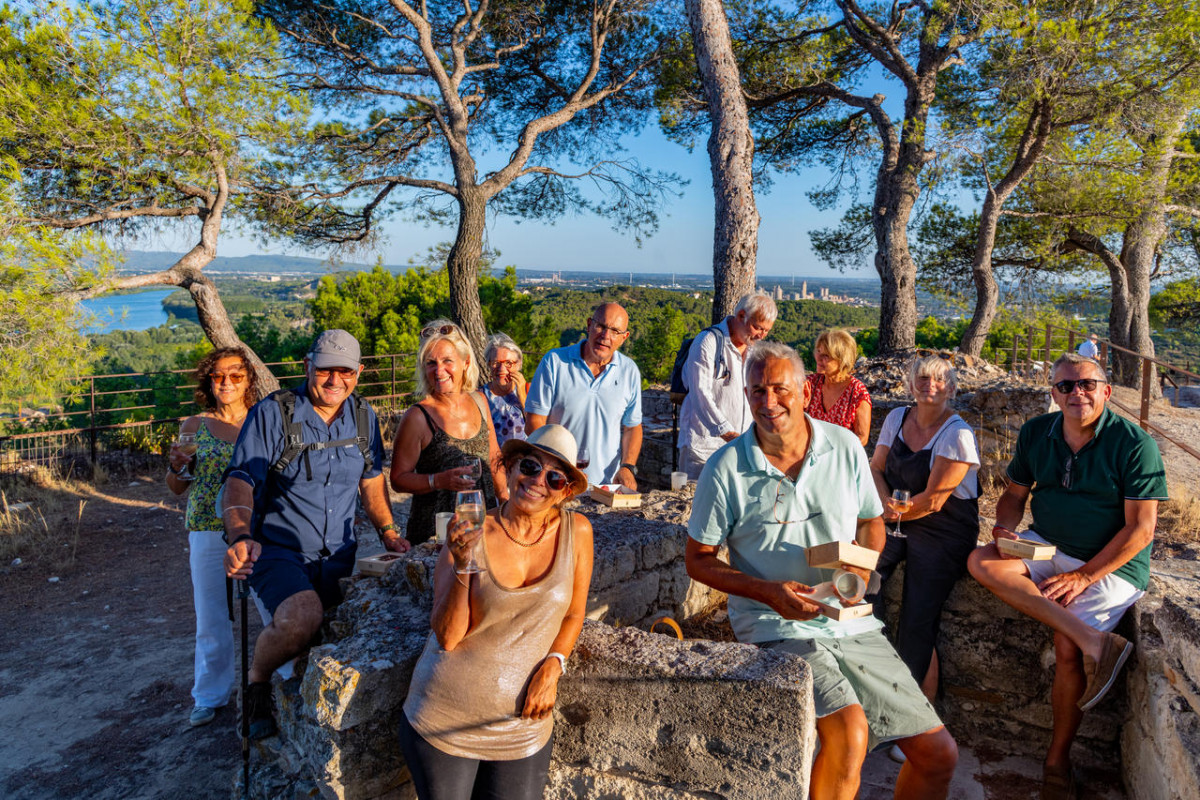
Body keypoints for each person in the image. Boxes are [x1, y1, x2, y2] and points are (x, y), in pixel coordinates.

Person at [686, 341, 958, 800]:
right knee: (850, 734)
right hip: (775, 621)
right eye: (756, 392)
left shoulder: (844, 446)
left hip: (847, 619)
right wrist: (767, 591)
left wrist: (858, 575)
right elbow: (698, 559)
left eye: (779, 389)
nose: (768, 402)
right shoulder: (726, 468)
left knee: (938, 756)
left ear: (805, 392)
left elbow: (872, 522)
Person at [968, 352, 1166, 800]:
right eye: (1065, 386)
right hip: (1047, 545)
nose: (1077, 393)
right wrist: (1004, 528)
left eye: (1087, 384)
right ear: (1053, 393)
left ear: (1106, 390)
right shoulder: (1038, 432)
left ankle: (1057, 760)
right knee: (981, 561)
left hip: (1112, 563)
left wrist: (1085, 577)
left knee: (1064, 646)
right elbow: (1013, 495)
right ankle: (1097, 641)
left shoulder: (1134, 444)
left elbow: (1142, 530)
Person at [223, 329, 407, 740]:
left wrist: (390, 532)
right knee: (301, 619)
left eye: (346, 371)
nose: (335, 380)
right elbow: (239, 480)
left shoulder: (364, 416)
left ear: (358, 372)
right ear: (309, 367)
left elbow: (372, 480)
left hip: (338, 554)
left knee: (327, 637)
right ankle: (256, 684)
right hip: (278, 549)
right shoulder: (274, 414)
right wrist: (238, 535)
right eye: (326, 370)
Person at [399, 424, 593, 800]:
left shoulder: (578, 532)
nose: (537, 481)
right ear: (513, 466)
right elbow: (448, 636)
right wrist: (460, 563)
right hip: (446, 720)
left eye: (554, 477)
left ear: (565, 491)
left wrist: (554, 665)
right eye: (531, 467)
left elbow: (574, 613)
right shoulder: (474, 529)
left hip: (523, 728)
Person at [869, 354, 980, 707]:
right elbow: (875, 468)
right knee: (859, 578)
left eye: (937, 380)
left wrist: (888, 516)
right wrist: (885, 504)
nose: (929, 385)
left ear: (950, 388)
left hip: (944, 529)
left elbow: (933, 500)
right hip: (899, 519)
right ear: (911, 383)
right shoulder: (897, 417)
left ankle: (915, 715)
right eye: (922, 378)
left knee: (918, 614)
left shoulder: (957, 434)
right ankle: (875, 673)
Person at [166, 347, 269, 727]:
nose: (226, 382)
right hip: (208, 529)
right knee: (211, 615)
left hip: (256, 529)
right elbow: (177, 486)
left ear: (248, 379)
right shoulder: (194, 425)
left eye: (235, 375)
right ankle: (209, 695)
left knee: (270, 605)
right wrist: (178, 466)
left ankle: (285, 678)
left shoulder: (264, 420)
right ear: (209, 381)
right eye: (218, 375)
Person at [392, 321, 508, 546]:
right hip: (436, 536)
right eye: (431, 363)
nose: (439, 370)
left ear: (465, 362)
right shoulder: (418, 417)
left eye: (447, 361)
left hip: (482, 528)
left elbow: (494, 457)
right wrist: (438, 481)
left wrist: (504, 502)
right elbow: (397, 480)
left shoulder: (479, 401)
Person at [525, 302, 642, 489]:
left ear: (624, 338)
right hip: (555, 482)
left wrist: (627, 467)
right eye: (601, 326)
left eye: (614, 331)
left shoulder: (629, 371)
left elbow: (632, 427)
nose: (605, 336)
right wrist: (559, 465)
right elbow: (534, 421)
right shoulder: (555, 362)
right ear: (589, 325)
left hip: (605, 487)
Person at [676, 290, 777, 479]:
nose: (762, 335)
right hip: (704, 448)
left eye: (767, 331)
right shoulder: (708, 342)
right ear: (741, 316)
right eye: (758, 328)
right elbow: (700, 394)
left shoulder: (754, 350)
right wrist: (728, 433)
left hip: (741, 447)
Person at [805, 328, 872, 446]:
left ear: (842, 360)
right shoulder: (810, 384)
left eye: (826, 355)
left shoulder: (857, 392)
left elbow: (862, 438)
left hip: (839, 459)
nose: (818, 358)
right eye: (818, 351)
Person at [480, 332, 528, 446]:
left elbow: (538, 428)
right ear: (488, 365)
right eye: (496, 363)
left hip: (526, 460)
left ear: (518, 365)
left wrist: (522, 393)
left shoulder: (531, 390)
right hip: (493, 462)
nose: (501, 369)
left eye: (508, 363)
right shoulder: (480, 396)